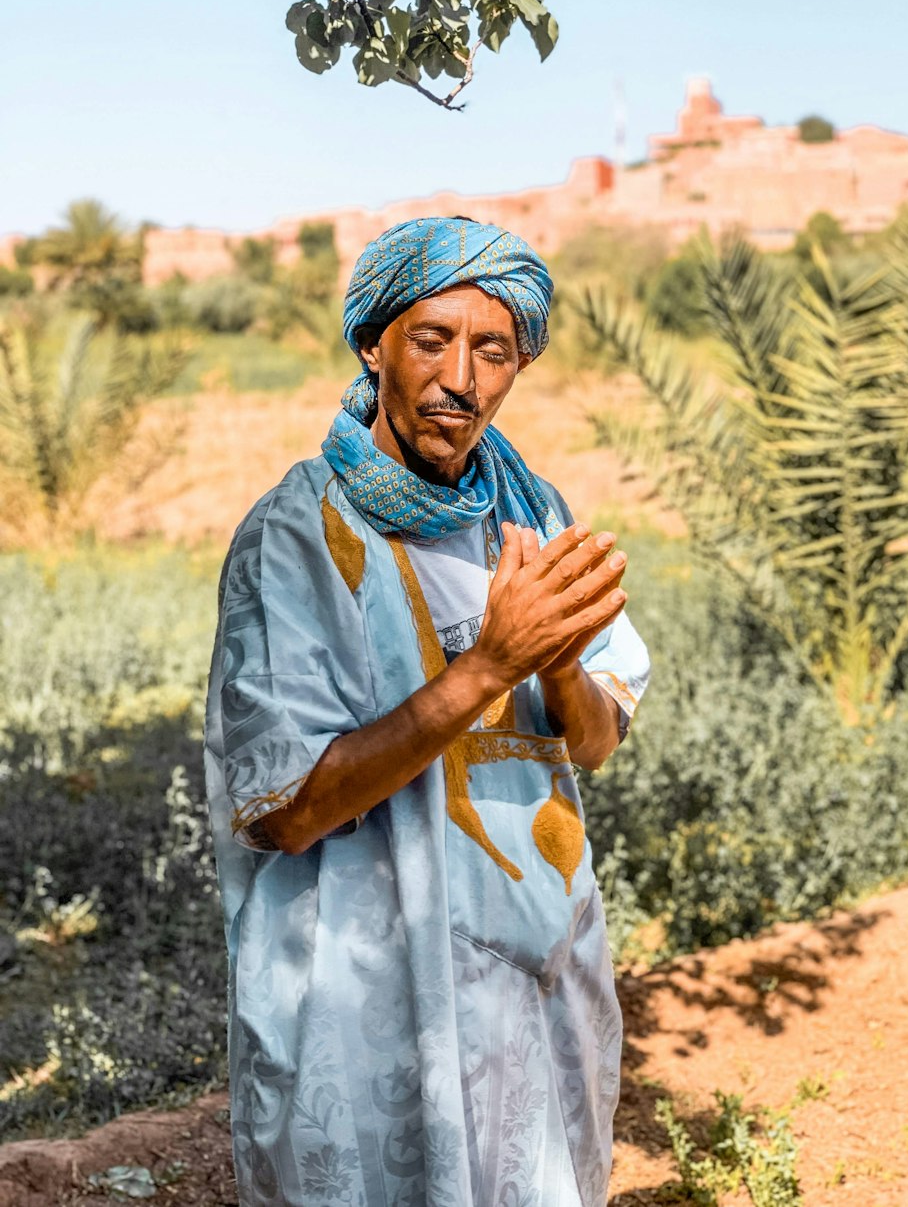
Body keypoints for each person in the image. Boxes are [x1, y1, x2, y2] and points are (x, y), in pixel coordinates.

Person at [203, 215, 651, 1206]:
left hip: (536, 967)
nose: (461, 376)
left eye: (491, 348)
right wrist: (486, 663)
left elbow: (593, 741)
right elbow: (287, 807)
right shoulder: (301, 533)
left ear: (518, 364)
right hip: (368, 993)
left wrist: (563, 661)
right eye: (430, 339)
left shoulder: (534, 515)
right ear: (375, 346)